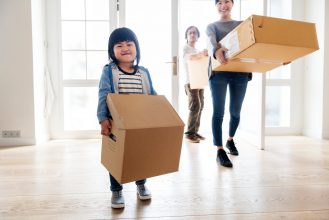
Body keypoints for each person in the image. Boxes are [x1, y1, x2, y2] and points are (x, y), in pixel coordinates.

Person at [97, 27, 156, 208]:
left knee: (140, 156)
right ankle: (116, 190)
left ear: (136, 48)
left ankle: (141, 184)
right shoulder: (109, 71)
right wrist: (102, 118)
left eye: (129, 44)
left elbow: (153, 96)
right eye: (119, 45)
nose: (125, 48)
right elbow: (104, 94)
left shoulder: (143, 72)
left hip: (139, 123)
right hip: (118, 123)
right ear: (112, 51)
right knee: (116, 159)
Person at [206, 0, 252, 168]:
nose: (223, 5)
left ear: (232, 4)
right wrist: (216, 50)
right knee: (218, 112)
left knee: (235, 112)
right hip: (219, 73)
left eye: (227, 1)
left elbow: (253, 44)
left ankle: (230, 140)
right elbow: (212, 42)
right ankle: (219, 150)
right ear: (216, 6)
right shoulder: (212, 26)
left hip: (240, 72)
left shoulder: (242, 24)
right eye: (219, 2)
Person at [182, 26, 208, 143]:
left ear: (198, 37)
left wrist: (204, 54)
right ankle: (189, 133)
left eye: (195, 33)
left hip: (199, 81)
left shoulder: (198, 51)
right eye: (190, 33)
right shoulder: (185, 48)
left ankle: (195, 132)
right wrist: (202, 54)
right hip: (190, 82)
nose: (192, 35)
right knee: (195, 106)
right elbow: (190, 58)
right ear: (187, 36)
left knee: (201, 106)